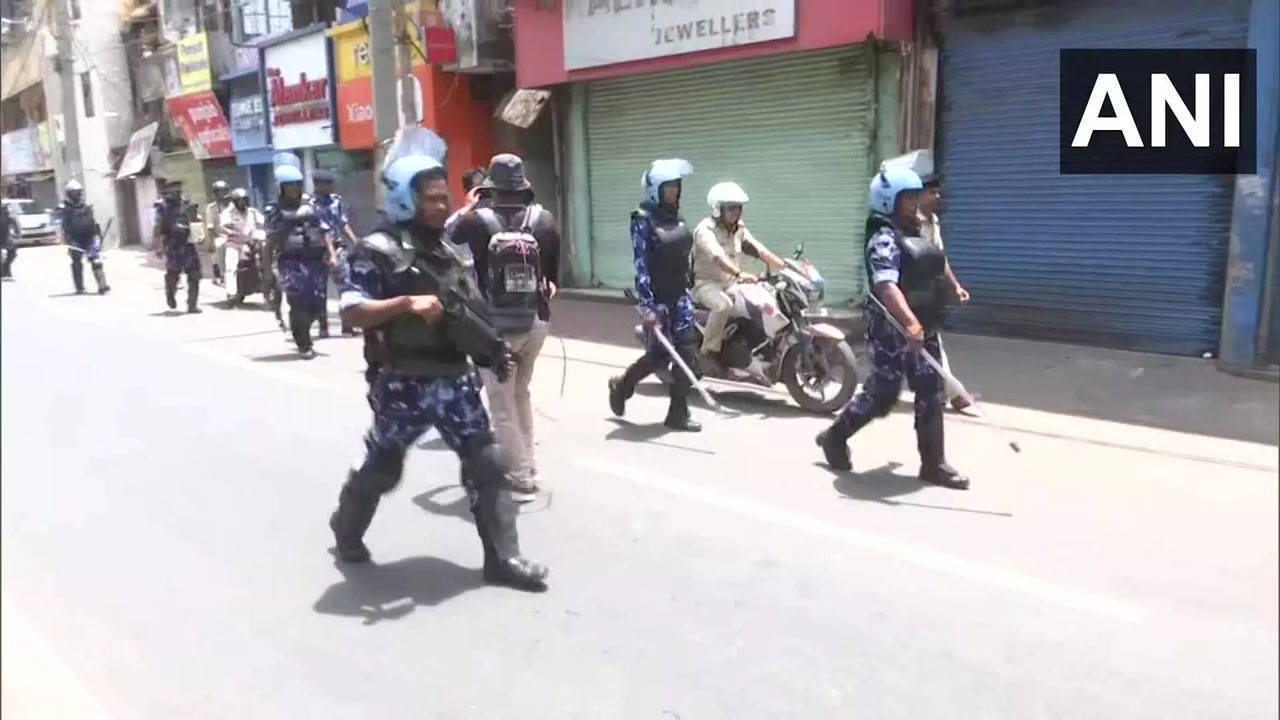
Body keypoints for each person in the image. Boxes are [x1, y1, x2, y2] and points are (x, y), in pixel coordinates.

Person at [328, 127, 548, 592]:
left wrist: (495, 350)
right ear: (406, 200)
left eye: (441, 197)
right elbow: (351, 312)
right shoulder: (375, 252)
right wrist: (406, 304)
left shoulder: (449, 251)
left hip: (455, 381)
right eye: (429, 199)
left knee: (486, 465)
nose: (440, 205)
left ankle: (503, 560)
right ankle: (345, 530)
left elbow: (472, 311)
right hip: (403, 382)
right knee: (382, 468)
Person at [815, 165, 969, 490]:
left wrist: (949, 291)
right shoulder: (884, 238)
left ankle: (933, 464)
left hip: (921, 324)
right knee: (883, 394)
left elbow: (934, 265)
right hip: (891, 327)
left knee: (931, 390)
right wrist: (909, 321)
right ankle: (835, 436)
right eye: (907, 200)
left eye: (916, 198)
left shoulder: (916, 231)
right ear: (888, 202)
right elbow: (887, 286)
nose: (915, 205)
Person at [449, 154, 561, 502]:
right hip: (536, 322)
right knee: (521, 394)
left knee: (501, 403)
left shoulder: (479, 221)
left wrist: (467, 204)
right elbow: (554, 278)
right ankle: (529, 464)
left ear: (491, 187)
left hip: (496, 327)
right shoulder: (544, 219)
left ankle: (520, 476)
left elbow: (448, 232)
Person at [607, 158, 702, 433]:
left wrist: (690, 284)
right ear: (655, 190)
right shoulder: (643, 221)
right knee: (659, 357)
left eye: (677, 188)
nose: (675, 193)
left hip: (680, 297)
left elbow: (685, 256)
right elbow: (642, 265)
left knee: (688, 355)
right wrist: (647, 307)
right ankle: (622, 385)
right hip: (657, 300)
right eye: (669, 188)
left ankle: (678, 413)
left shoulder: (678, 219)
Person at [691, 181, 785, 373]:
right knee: (723, 305)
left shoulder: (738, 229)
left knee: (762, 299)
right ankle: (708, 352)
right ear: (718, 209)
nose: (736, 212)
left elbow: (757, 249)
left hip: (730, 283)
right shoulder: (705, 230)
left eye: (739, 208)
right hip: (706, 285)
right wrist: (739, 274)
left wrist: (782, 265)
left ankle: (751, 348)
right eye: (731, 208)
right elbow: (717, 256)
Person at [265, 156, 335, 359]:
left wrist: (331, 254)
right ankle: (304, 343)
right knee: (298, 304)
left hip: (315, 261)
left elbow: (325, 231)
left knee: (317, 305)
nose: (294, 189)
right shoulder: (274, 210)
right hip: (291, 263)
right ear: (281, 187)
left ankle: (300, 326)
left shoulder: (311, 205)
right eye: (289, 186)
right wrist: (267, 270)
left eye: (297, 184)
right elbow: (269, 241)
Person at [312, 169, 359, 337]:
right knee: (320, 289)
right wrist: (330, 253)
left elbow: (343, 222)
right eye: (329, 184)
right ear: (319, 185)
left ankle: (347, 325)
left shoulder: (336, 200)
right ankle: (323, 326)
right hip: (318, 251)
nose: (333, 186)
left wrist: (355, 240)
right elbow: (322, 230)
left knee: (346, 285)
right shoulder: (311, 205)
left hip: (338, 247)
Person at [152, 178, 203, 313]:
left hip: (188, 244)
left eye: (179, 190)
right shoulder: (163, 208)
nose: (177, 193)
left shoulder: (187, 204)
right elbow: (157, 228)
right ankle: (170, 295)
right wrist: (158, 246)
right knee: (173, 274)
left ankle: (192, 305)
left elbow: (195, 220)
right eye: (174, 190)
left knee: (195, 274)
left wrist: (199, 234)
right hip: (173, 245)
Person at [56, 180, 111, 295]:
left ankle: (102, 285)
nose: (77, 195)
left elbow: (94, 223)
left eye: (78, 192)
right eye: (74, 192)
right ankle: (79, 287)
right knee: (76, 261)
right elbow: (63, 225)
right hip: (74, 239)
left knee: (96, 260)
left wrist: (98, 236)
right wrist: (65, 238)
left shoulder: (87, 207)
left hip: (89, 236)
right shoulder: (65, 209)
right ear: (69, 194)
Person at [219, 188, 264, 306]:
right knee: (231, 265)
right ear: (234, 202)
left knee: (265, 260)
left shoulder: (253, 212)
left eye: (244, 200)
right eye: (240, 201)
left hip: (252, 243)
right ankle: (231, 293)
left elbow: (262, 224)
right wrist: (235, 233)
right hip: (234, 244)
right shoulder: (228, 213)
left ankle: (267, 286)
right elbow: (224, 228)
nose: (243, 203)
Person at [205, 180, 232, 285]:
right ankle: (222, 274)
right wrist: (212, 240)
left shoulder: (233, 205)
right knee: (221, 246)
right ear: (215, 193)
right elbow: (210, 226)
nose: (223, 194)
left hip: (236, 234)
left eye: (225, 191)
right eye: (220, 192)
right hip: (220, 236)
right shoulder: (211, 208)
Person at [0, 200, 15, 280]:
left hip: (5, 236)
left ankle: (6, 270)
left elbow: (12, 219)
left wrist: (16, 231)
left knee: (12, 253)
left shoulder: (5, 208)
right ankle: (4, 273)